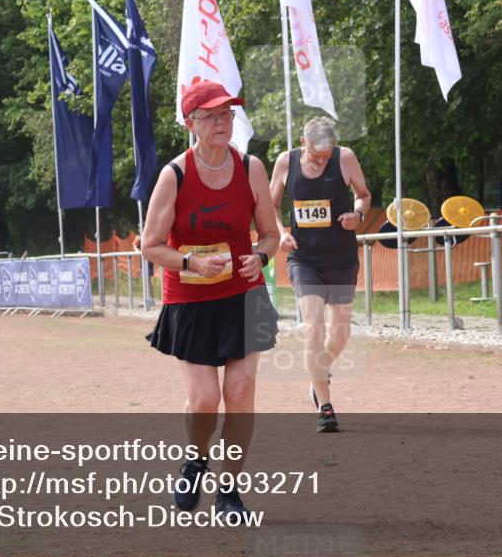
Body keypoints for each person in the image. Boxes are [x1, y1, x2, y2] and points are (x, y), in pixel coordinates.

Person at [141, 80, 279, 520]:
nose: (222, 123)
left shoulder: (251, 168)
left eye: (227, 114)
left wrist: (261, 257)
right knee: (204, 400)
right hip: (190, 297)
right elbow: (150, 245)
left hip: (244, 294)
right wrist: (190, 263)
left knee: (239, 393)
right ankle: (196, 458)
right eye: (211, 116)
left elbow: (271, 235)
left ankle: (229, 492)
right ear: (191, 123)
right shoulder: (174, 175)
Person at [269, 117, 371, 433]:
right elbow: (270, 206)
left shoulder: (345, 158)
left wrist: (358, 214)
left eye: (327, 157)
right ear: (304, 142)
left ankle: (318, 375)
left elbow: (364, 195)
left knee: (340, 334)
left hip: (341, 259)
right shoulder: (285, 163)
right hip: (305, 259)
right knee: (314, 326)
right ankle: (325, 407)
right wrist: (281, 232)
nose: (321, 162)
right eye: (316, 156)